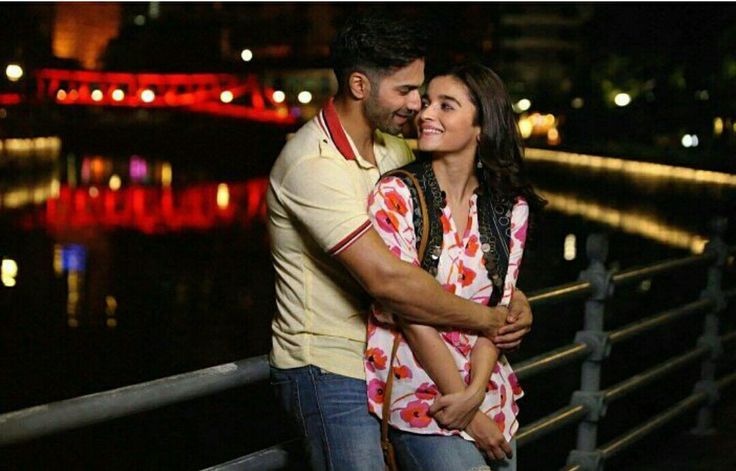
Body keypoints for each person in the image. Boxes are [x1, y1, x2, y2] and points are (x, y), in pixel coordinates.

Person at [267, 12, 533, 470]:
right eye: (406, 90)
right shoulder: (312, 164)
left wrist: (513, 297)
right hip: (328, 365)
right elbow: (390, 281)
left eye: (423, 92)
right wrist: (490, 317)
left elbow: (445, 256)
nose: (417, 106)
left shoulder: (394, 149)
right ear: (359, 85)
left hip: (392, 356)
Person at [365, 63, 545, 470]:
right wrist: (464, 407)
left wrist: (476, 394)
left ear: (482, 127)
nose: (426, 114)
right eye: (427, 103)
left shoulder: (508, 208)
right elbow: (410, 311)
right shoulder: (396, 195)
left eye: (446, 106)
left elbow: (498, 312)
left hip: (488, 393)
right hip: (423, 394)